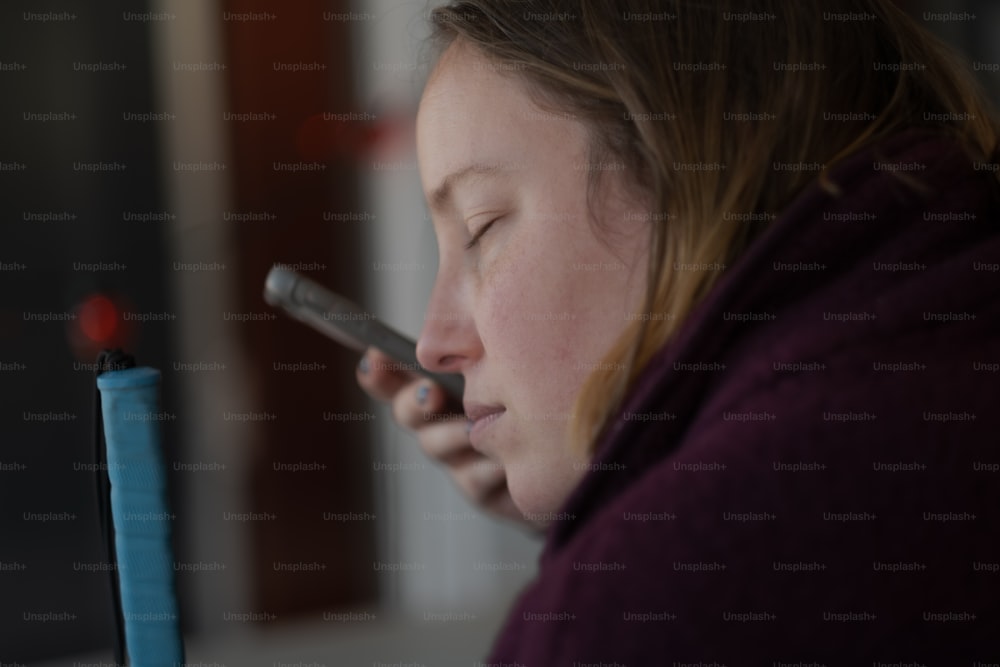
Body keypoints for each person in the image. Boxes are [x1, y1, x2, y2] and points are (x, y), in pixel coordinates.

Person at [358, 0, 1000, 662]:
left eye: (482, 225)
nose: (435, 341)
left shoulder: (626, 615)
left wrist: (627, 553)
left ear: (693, 173)